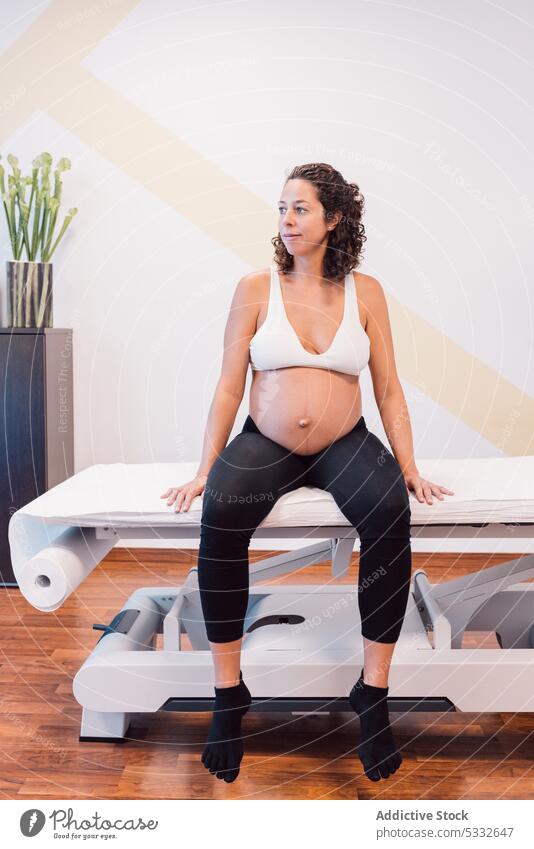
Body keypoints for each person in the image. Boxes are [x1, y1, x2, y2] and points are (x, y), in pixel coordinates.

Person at [161, 162, 453, 785]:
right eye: (282, 209)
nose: (287, 220)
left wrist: (410, 467)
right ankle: (227, 693)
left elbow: (390, 391)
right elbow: (226, 388)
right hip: (267, 445)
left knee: (388, 513)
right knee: (221, 510)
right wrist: (203, 469)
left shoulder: (365, 292)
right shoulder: (254, 287)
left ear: (334, 218)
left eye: (300, 209)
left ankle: (372, 694)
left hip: (344, 443)